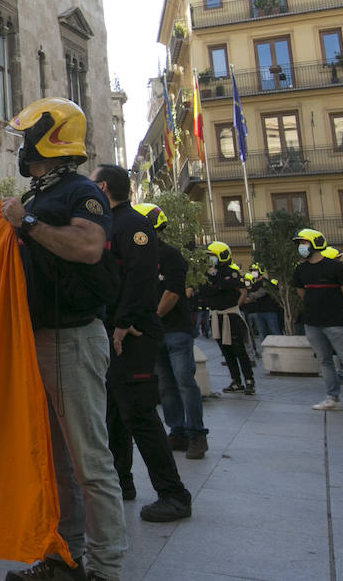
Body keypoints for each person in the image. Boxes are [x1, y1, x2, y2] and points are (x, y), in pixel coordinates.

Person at [0, 99, 125, 581]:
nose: (22, 148)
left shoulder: (82, 193)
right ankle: (65, 557)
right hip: (41, 336)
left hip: (73, 339)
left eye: (27, 137)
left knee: (90, 462)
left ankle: (106, 568)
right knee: (58, 463)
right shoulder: (37, 196)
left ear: (50, 140)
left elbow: (88, 248)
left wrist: (26, 225)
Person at [92, 167, 192, 524]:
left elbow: (139, 277)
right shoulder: (110, 223)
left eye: (92, 183)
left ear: (102, 187)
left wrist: (123, 323)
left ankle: (174, 494)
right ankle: (122, 481)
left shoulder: (132, 224)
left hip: (132, 333)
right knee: (116, 412)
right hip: (117, 330)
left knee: (139, 414)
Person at [134, 203, 208, 460]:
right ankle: (177, 431)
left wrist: (152, 318)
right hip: (153, 332)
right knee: (165, 385)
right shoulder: (137, 256)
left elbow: (173, 292)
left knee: (184, 381)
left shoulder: (171, 256)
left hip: (176, 330)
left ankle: (197, 434)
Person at [290, 228, 343, 415]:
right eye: (299, 244)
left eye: (304, 243)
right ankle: (332, 398)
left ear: (315, 244)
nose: (301, 247)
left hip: (335, 321)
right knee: (325, 361)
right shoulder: (300, 269)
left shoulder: (335, 267)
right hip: (312, 322)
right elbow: (301, 291)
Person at [195, 242, 255, 394]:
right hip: (216, 316)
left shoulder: (231, 272)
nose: (210, 259)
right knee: (226, 351)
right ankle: (236, 381)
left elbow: (242, 291)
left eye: (212, 256)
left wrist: (236, 307)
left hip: (231, 315)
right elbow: (205, 291)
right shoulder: (207, 274)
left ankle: (249, 380)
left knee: (239, 349)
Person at [241, 263, 282, 356]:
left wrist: (246, 299)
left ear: (260, 271)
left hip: (269, 312)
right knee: (262, 334)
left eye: (255, 271)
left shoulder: (265, 282)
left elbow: (259, 293)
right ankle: (267, 353)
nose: (253, 273)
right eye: (252, 271)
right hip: (259, 312)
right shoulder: (255, 284)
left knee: (274, 331)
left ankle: (280, 350)